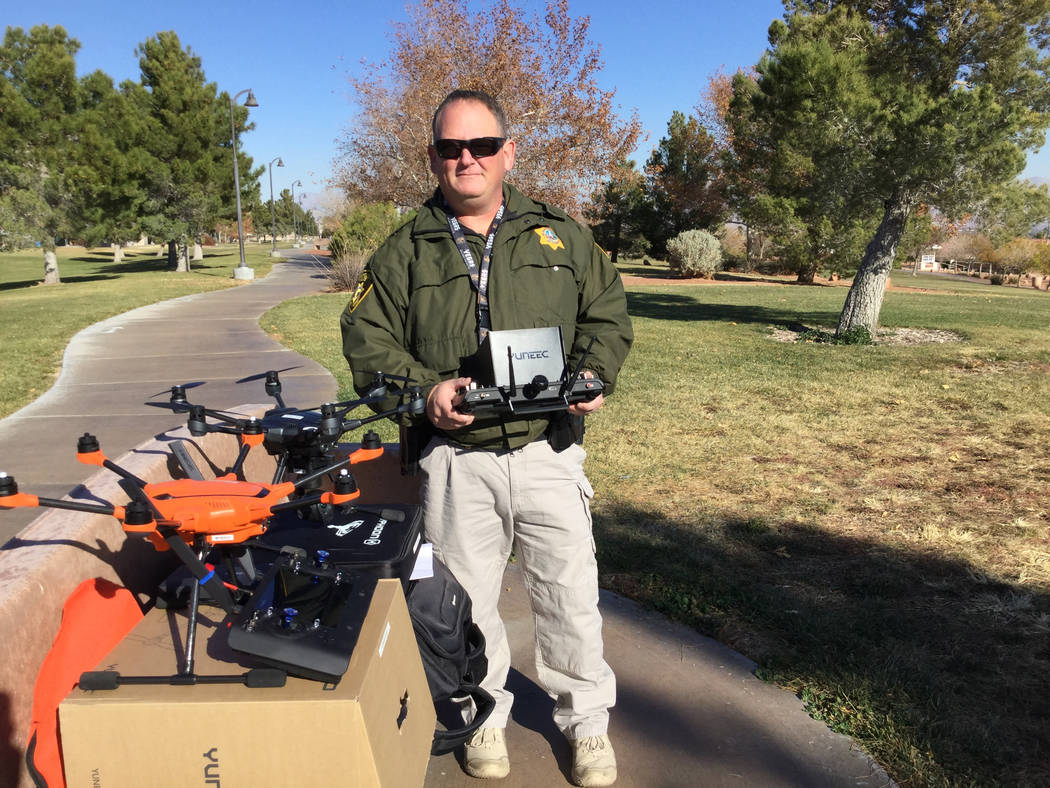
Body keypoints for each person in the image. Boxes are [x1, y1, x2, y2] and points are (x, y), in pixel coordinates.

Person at [341, 89, 632, 787]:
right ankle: (485, 719)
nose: (464, 159)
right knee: (465, 602)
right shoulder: (404, 250)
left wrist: (593, 372)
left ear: (508, 151)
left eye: (479, 145)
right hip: (456, 460)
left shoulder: (560, 234)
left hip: (545, 451)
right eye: (449, 148)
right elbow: (366, 342)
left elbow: (608, 313)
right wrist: (424, 394)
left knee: (567, 594)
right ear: (433, 157)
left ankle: (586, 725)